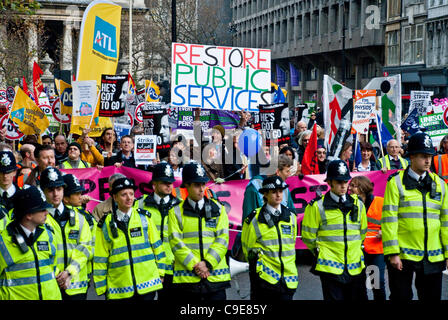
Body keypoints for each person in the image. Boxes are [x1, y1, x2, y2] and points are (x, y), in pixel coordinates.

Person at [382, 132, 448, 301]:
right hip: (403, 255)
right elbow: (389, 220)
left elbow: (445, 222)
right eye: (423, 156)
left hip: (433, 255)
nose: (428, 161)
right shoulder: (395, 183)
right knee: (400, 296)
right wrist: (393, 253)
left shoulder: (440, 184)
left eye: (430, 156)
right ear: (411, 157)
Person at [302, 160, 367, 301]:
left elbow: (362, 232)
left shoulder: (358, 204)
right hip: (329, 267)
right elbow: (308, 237)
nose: (343, 185)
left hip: (355, 266)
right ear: (329, 182)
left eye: (345, 181)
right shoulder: (316, 206)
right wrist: (321, 251)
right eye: (338, 182)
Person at [94, 177, 166, 300]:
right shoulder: (105, 223)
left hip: (147, 285)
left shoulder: (145, 218)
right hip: (120, 287)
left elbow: (157, 247)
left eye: (131, 194)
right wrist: (101, 286)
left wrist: (160, 272)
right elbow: (101, 256)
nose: (129, 198)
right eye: (124, 194)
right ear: (115, 197)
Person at [168, 162, 231, 300]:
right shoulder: (175, 212)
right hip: (188, 283)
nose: (202, 189)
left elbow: (223, 239)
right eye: (197, 185)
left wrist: (207, 264)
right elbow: (175, 242)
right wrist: (196, 266)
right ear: (187, 186)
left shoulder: (219, 209)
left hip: (215, 281)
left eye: (203, 184)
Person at [241, 175, 298, 300]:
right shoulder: (254, 219)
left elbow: (291, 243)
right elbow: (247, 247)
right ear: (265, 194)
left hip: (288, 280)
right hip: (264, 280)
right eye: (273, 192)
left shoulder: (291, 217)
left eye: (280, 191)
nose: (278, 195)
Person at [0, 186, 61, 300]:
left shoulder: (48, 235)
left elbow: (51, 265)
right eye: (42, 209)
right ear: (28, 214)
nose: (47, 213)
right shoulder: (3, 242)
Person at [40, 166, 92, 300]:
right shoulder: (38, 219)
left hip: (76, 286)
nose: (55, 194)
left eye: (59, 189)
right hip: (50, 285)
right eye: (50, 190)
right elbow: (41, 253)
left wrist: (69, 272)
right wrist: (58, 274)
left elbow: (86, 247)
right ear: (43, 191)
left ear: (63, 190)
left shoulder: (80, 217)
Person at [135, 162, 181, 300]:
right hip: (147, 265)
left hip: (171, 267)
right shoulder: (139, 204)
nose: (169, 185)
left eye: (171, 182)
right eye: (164, 182)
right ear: (154, 185)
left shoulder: (180, 206)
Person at [349, 176, 385, 301]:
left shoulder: (379, 202)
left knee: (376, 284)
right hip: (357, 251)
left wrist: (383, 230)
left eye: (354, 185)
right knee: (358, 286)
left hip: (374, 252)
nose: (350, 188)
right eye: (351, 185)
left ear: (363, 188)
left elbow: (391, 221)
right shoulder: (350, 204)